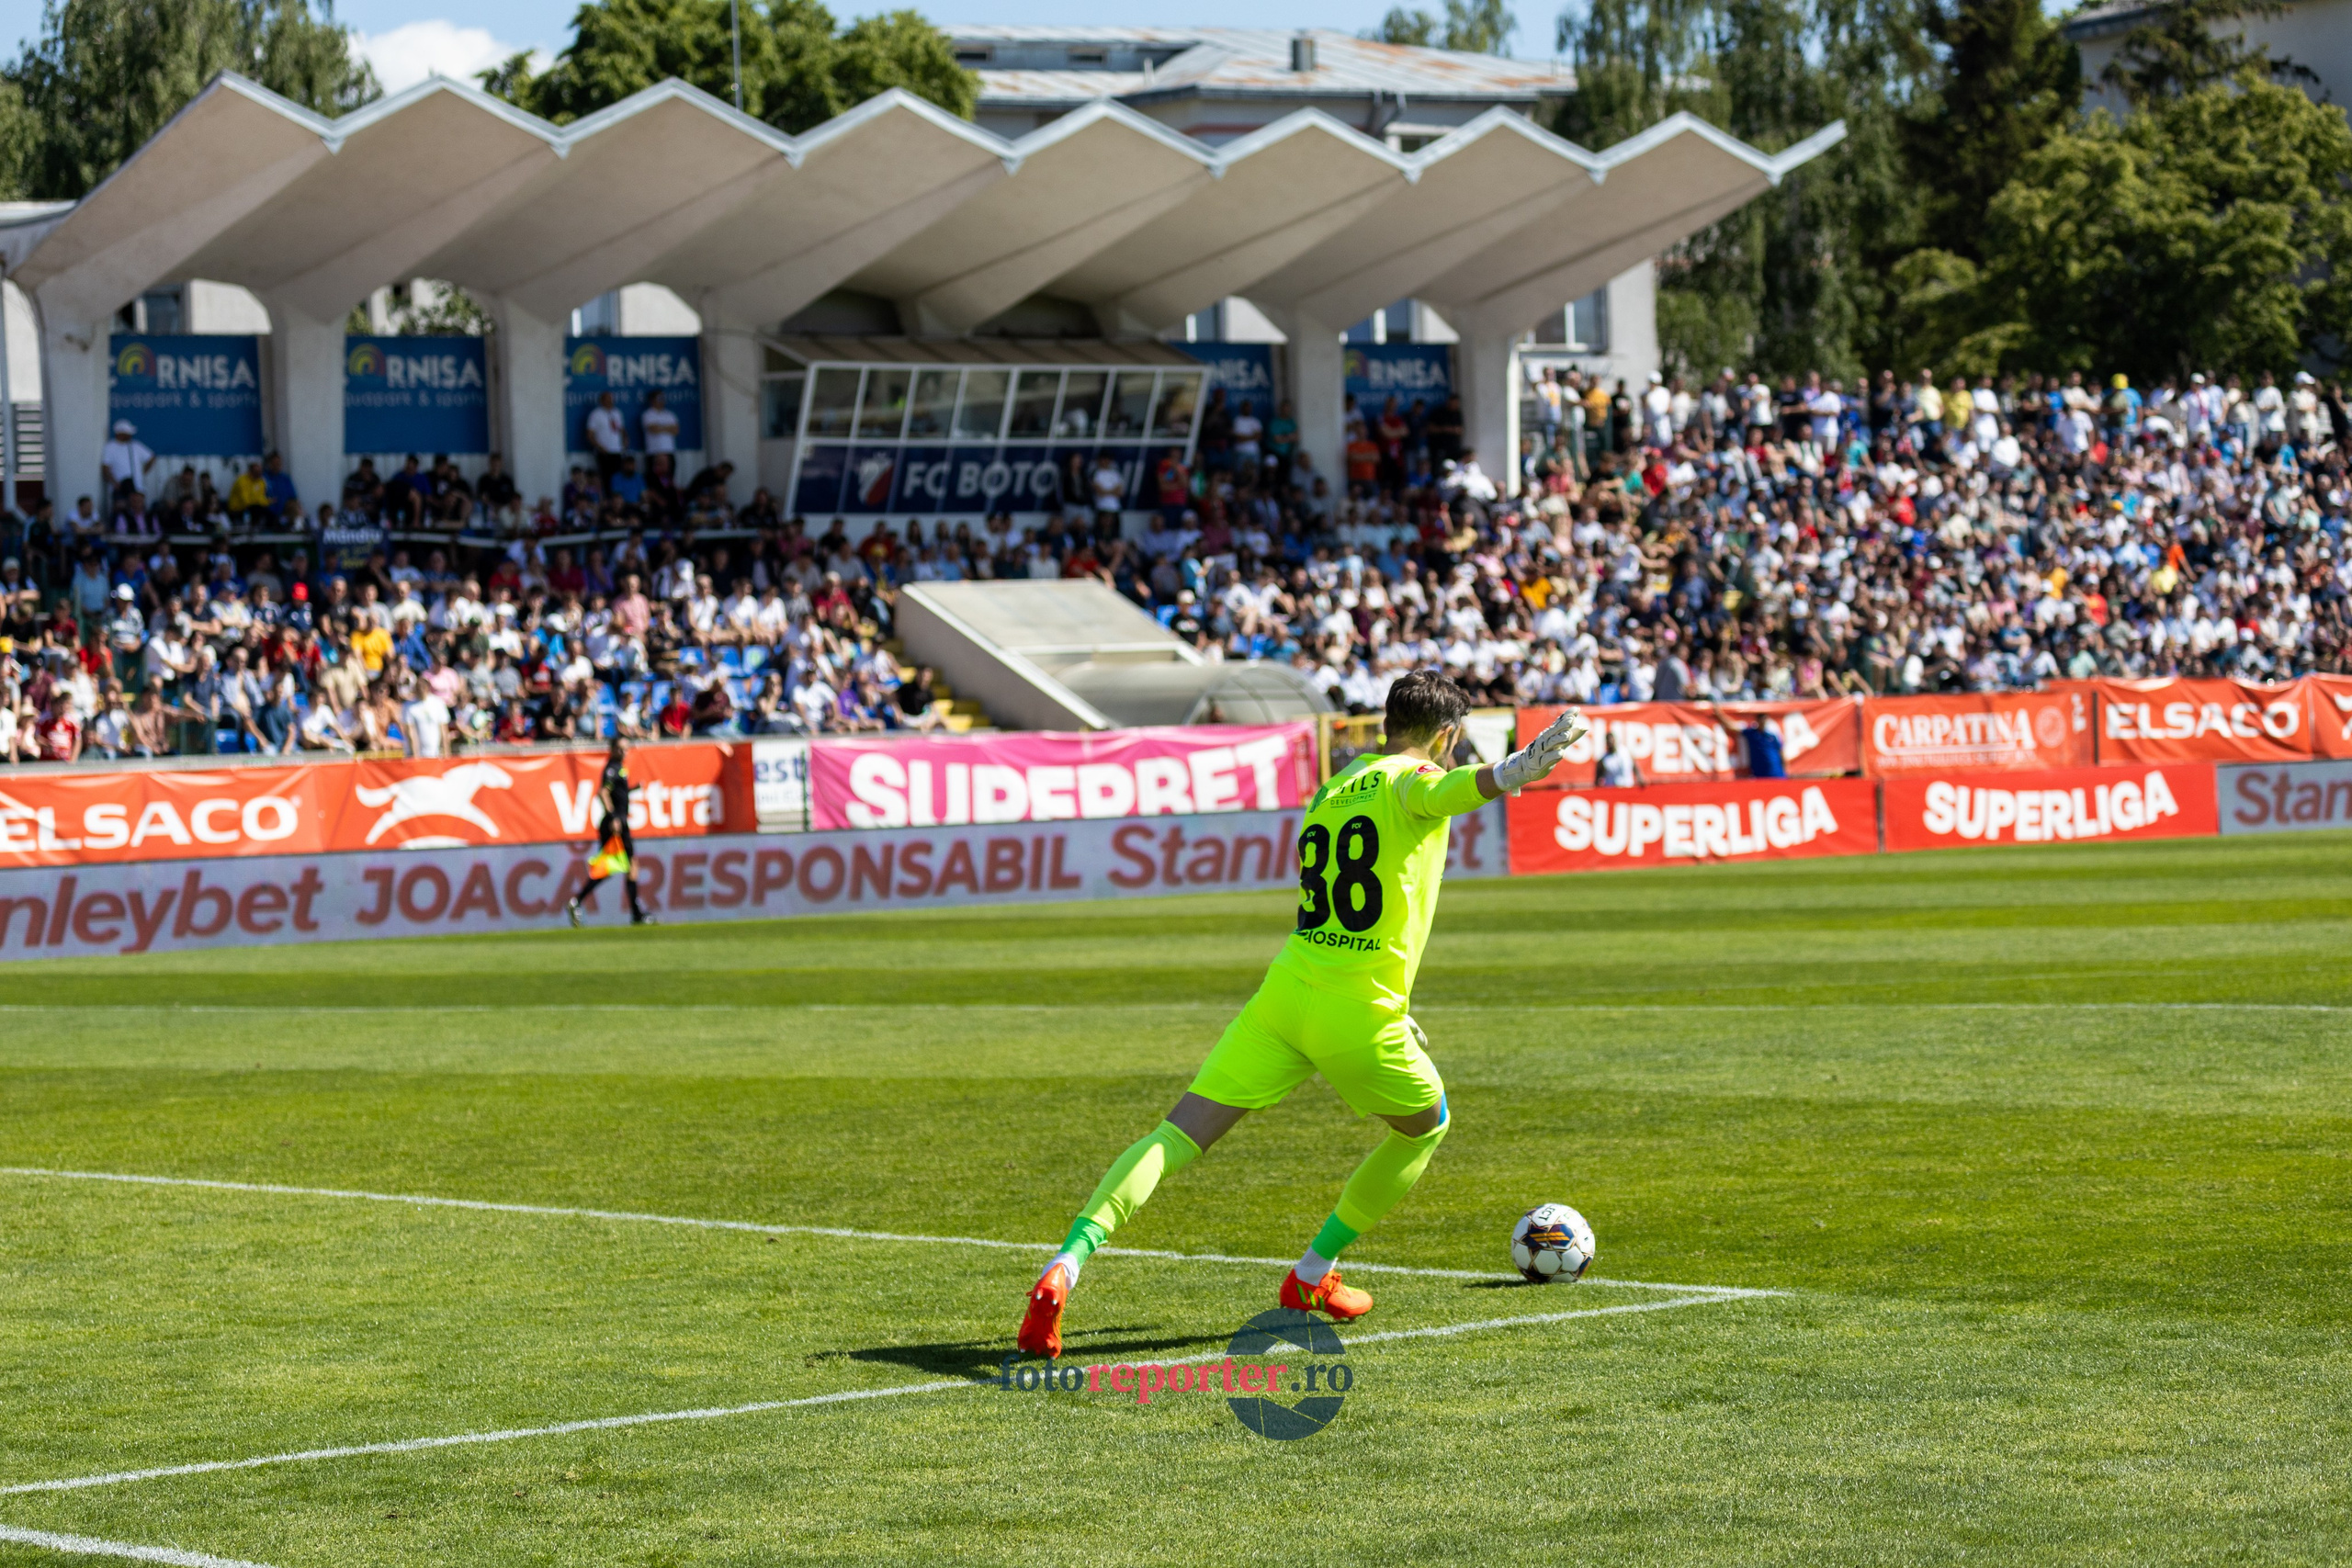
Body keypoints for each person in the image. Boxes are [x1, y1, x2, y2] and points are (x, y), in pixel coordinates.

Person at [1015, 674, 1586, 1357]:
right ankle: (1312, 1273)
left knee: (1175, 1133)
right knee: (1425, 1126)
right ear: (1445, 736)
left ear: (1386, 723)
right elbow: (1449, 790)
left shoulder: (1332, 790)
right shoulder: (1416, 780)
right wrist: (1516, 768)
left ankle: (1067, 1262)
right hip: (1356, 1012)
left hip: (1286, 993)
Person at [567, 737, 652, 927]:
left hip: (617, 822)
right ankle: (636, 914)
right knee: (627, 865)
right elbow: (603, 792)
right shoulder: (612, 768)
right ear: (612, 749)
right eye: (620, 749)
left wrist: (632, 790)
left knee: (615, 867)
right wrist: (614, 816)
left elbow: (616, 793)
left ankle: (578, 901)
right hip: (616, 823)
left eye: (626, 749)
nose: (623, 752)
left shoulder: (620, 769)